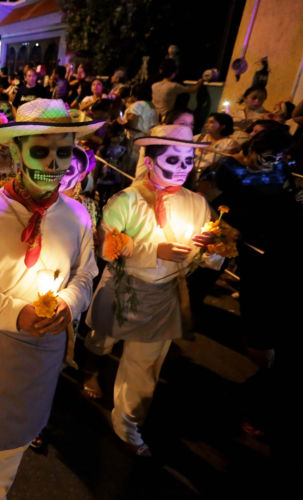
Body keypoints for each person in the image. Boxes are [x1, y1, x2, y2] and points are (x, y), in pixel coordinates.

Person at [0, 99, 100, 499]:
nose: (54, 162)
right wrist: (15, 314)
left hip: (44, 350)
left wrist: (67, 303)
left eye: (63, 152)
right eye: (41, 151)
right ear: (17, 152)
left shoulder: (78, 216)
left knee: (17, 437)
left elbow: (86, 273)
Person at [85, 125, 220, 457]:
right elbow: (107, 248)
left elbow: (207, 252)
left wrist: (209, 250)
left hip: (163, 296)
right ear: (150, 161)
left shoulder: (197, 202)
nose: (182, 166)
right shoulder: (125, 200)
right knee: (101, 341)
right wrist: (151, 251)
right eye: (173, 158)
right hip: (123, 289)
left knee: (144, 365)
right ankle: (92, 371)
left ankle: (127, 423)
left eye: (188, 159)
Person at [193, 112, 239, 181]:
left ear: (222, 126)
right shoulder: (200, 137)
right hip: (191, 173)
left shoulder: (229, 143)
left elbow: (225, 164)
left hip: (209, 179)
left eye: (211, 122)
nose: (206, 125)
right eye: (207, 122)